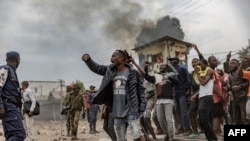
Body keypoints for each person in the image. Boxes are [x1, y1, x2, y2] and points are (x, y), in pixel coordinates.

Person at [82, 50, 146, 141]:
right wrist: (88, 60)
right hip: (117, 111)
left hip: (131, 110)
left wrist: (142, 107)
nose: (111, 58)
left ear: (122, 59)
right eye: (111, 56)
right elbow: (97, 68)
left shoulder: (133, 73)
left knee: (137, 135)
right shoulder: (109, 70)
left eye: (114, 56)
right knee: (120, 138)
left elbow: (141, 90)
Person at [144, 63, 179, 141]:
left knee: (169, 119)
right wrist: (146, 68)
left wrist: (168, 77)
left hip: (169, 100)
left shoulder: (171, 75)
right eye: (160, 67)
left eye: (163, 66)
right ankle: (166, 134)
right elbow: (147, 77)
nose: (161, 68)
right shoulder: (157, 76)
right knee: (160, 119)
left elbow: (177, 82)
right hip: (159, 100)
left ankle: (171, 137)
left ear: (167, 68)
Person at [0, 51, 26, 141]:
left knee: (11, 136)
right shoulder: (5, 70)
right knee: (19, 135)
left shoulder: (11, 71)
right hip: (8, 107)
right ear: (17, 60)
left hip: (10, 107)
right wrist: (1, 106)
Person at [169, 56, 192, 136]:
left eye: (173, 60)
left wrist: (187, 90)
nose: (172, 61)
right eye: (171, 60)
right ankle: (181, 127)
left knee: (184, 111)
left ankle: (188, 129)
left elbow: (188, 80)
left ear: (177, 61)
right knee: (177, 111)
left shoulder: (182, 69)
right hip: (175, 93)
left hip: (182, 92)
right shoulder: (171, 71)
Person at [195, 59, 217, 141]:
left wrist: (197, 74)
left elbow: (203, 83)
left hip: (207, 97)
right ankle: (211, 138)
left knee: (204, 118)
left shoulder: (210, 71)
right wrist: (196, 67)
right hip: (202, 97)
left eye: (200, 64)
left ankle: (212, 138)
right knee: (204, 119)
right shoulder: (201, 71)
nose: (199, 66)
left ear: (205, 64)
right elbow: (196, 69)